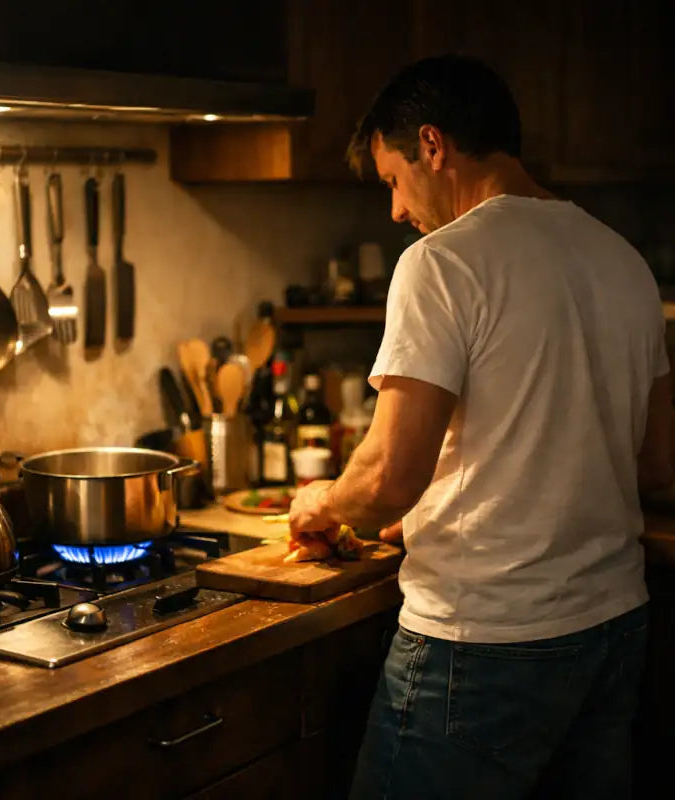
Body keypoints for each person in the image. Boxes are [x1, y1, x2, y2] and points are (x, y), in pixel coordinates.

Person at [288, 55, 673, 800]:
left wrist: (325, 504)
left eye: (394, 180)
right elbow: (657, 464)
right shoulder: (624, 262)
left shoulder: (442, 263)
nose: (396, 211)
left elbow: (391, 475)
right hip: (614, 628)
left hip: (485, 644)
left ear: (433, 146)